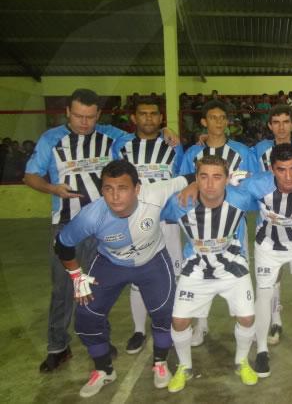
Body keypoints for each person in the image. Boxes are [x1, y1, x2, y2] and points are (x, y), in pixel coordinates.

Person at [53, 160, 196, 397]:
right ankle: (103, 369)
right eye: (108, 189)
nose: (115, 197)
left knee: (164, 312)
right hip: (110, 264)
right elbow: (63, 245)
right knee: (87, 314)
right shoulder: (91, 216)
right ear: (102, 191)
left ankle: (160, 363)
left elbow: (195, 175)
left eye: (122, 188)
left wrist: (193, 187)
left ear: (137, 188)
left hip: (152, 261)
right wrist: (77, 277)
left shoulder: (156, 191)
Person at [24, 89, 130, 373]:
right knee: (62, 288)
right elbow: (30, 175)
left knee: (98, 287)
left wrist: (168, 132)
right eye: (79, 116)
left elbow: (145, 138)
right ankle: (58, 347)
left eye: (90, 117)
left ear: (98, 115)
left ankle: (101, 341)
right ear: (68, 113)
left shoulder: (111, 135)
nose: (84, 122)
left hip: (101, 227)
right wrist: (52, 188)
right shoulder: (51, 139)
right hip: (66, 225)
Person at [162, 155, 258, 392]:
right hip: (195, 268)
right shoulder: (180, 203)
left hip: (233, 267)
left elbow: (268, 185)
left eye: (217, 177)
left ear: (227, 179)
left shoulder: (242, 198)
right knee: (179, 321)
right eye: (203, 177)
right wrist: (189, 187)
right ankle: (184, 367)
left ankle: (242, 361)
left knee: (247, 318)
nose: (210, 183)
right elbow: (160, 215)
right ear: (196, 178)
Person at [241, 144, 292, 377]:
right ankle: (261, 350)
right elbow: (223, 187)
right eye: (281, 170)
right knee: (265, 293)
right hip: (268, 245)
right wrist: (196, 184)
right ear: (271, 169)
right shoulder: (256, 184)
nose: (288, 176)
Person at [179, 100, 257, 345]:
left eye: (222, 117)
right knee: (201, 272)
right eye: (213, 117)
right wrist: (192, 183)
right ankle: (201, 324)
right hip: (199, 226)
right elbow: (182, 182)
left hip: (234, 225)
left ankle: (244, 321)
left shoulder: (242, 152)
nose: (219, 122)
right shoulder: (193, 153)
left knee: (238, 268)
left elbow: (251, 182)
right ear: (204, 121)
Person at [112, 96, 185, 355]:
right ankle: (139, 330)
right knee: (137, 278)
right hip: (135, 222)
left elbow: (183, 177)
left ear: (161, 118)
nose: (149, 118)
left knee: (174, 275)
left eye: (154, 114)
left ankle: (172, 326)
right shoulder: (121, 147)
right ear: (134, 118)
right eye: (143, 114)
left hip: (168, 220)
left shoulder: (174, 146)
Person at [251, 105, 292, 343]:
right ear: (269, 125)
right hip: (270, 226)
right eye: (275, 122)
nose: (281, 127)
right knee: (273, 279)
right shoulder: (258, 151)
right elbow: (248, 179)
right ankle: (276, 322)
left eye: (285, 121)